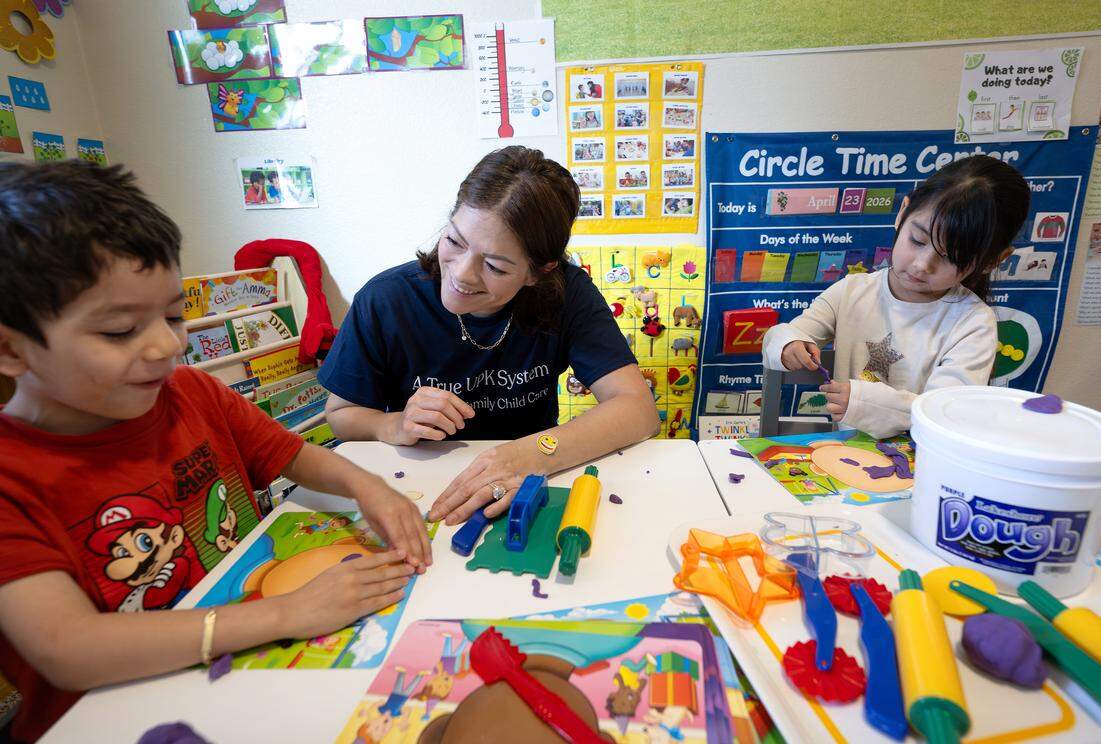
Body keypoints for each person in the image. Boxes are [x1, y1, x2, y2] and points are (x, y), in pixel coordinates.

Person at [0, 161, 431, 741]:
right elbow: (68, 649)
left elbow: (297, 456)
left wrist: (368, 486)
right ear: (11, 350)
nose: (166, 344)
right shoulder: (12, 475)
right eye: (120, 330)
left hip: (250, 674)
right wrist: (286, 613)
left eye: (175, 315)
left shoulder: (192, 391)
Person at [319, 146, 659, 526]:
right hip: (417, 488)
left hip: (525, 488)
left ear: (538, 272)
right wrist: (393, 424)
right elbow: (341, 415)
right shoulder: (386, 299)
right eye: (455, 241)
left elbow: (638, 409)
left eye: (495, 266)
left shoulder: (567, 294)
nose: (462, 274)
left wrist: (532, 456)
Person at [762, 155, 1030, 438]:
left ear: (992, 261)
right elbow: (782, 336)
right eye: (917, 240)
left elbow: (945, 413)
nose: (921, 265)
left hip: (922, 462)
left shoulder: (973, 323)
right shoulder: (852, 291)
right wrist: (788, 343)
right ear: (902, 213)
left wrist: (865, 400)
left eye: (951, 258)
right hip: (846, 455)